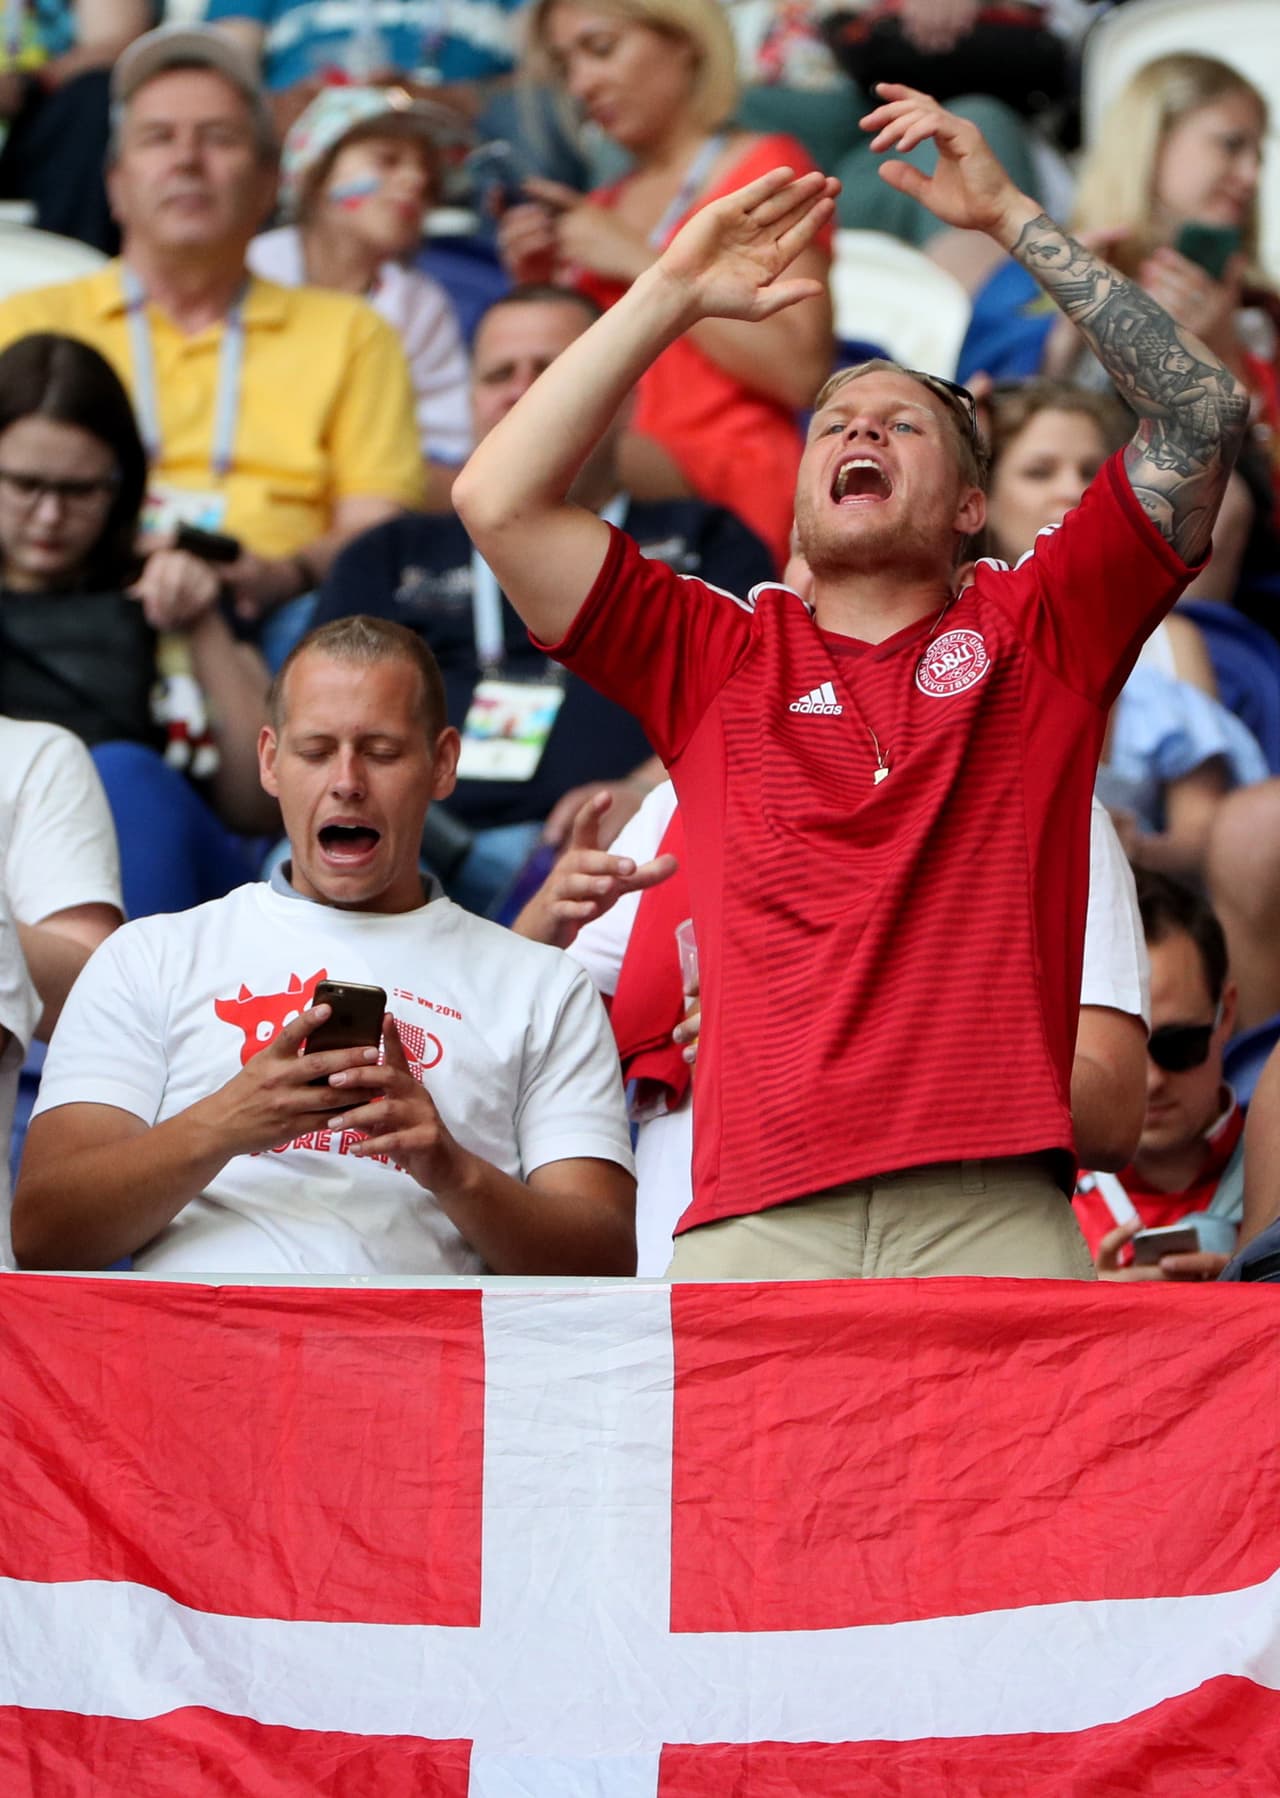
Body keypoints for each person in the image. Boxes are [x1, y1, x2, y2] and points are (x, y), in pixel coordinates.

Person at [455, 84, 1249, 1280]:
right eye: (833, 423)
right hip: (751, 1215)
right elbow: (495, 498)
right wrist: (666, 290)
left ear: (970, 510)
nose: (860, 431)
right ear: (796, 495)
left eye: (902, 423)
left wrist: (1012, 220)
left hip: (987, 1213)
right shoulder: (717, 657)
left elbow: (1201, 414)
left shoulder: (1039, 633)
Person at [12, 614, 636, 1277]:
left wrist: (450, 1168)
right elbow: (45, 1232)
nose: (346, 781)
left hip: (429, 1370)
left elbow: (604, 1263)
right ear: (269, 762)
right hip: (198, 1366)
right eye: (315, 751)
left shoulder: (543, 985)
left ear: (443, 763)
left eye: (383, 751)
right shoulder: (150, 956)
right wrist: (228, 1120)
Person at [518, 777, 1151, 1274]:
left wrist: (847, 1021)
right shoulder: (678, 806)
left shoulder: (1050, 805)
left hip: (944, 1282)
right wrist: (542, 925)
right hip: (695, 1289)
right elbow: (507, 1061)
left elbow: (1111, 1112)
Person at [311, 283, 774, 914]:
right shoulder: (390, 554)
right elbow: (316, 724)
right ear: (471, 401)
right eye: (500, 373)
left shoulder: (704, 540)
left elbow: (760, 704)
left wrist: (648, 793)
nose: (521, 391)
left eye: (552, 371)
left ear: (624, 398)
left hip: (616, 860)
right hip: (402, 852)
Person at [0, 25, 425, 644]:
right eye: (158, 138)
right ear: (115, 185)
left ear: (266, 183)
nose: (187, 160)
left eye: (217, 138)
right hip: (66, 602)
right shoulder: (26, 321)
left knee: (341, 640)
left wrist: (284, 572)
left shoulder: (352, 332)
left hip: (272, 615)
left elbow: (376, 520)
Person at [502, 0, 833, 569]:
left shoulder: (765, 165)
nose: (581, 84)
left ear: (683, 39)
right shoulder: (599, 211)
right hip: (611, 480)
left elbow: (800, 372)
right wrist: (542, 294)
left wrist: (640, 261)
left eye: (600, 49)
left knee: (514, 469)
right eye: (566, 65)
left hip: (729, 482)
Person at [961, 54, 1274, 601]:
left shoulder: (1257, 311)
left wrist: (1224, 361)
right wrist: (1064, 340)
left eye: (1258, 153)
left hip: (1211, 588)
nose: (1250, 175)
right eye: (1230, 145)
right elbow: (968, 445)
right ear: (1152, 140)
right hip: (1035, 569)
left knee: (1221, 505)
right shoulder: (1031, 285)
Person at [0, 332, 277, 915]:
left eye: (80, 490)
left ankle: (125, 1002)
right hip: (16, 868)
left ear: (122, 485)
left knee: (121, 772)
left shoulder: (172, 584)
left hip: (165, 889)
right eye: (25, 486)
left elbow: (261, 804)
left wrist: (201, 624)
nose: (50, 515)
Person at [980, 378, 1268, 880]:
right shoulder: (949, 633)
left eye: (1091, 471)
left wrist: (1133, 848)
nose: (1070, 488)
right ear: (979, 500)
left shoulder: (1170, 643)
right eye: (1038, 472)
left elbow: (1207, 837)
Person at [248, 85, 470, 495]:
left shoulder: (421, 304)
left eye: (426, 171)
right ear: (314, 174)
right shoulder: (253, 265)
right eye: (387, 160)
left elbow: (445, 457)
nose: (416, 179)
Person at [1075, 873, 1243, 1283]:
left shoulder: (1269, 1175)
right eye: (1123, 1054)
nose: (1150, 1081)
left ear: (1227, 1014)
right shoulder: (1036, 1195)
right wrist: (1082, 1306)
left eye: (1178, 1044)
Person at [0, 0, 149, 252]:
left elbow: (119, 44)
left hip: (42, 124)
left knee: (94, 95)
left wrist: (27, 83)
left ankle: (70, 269)